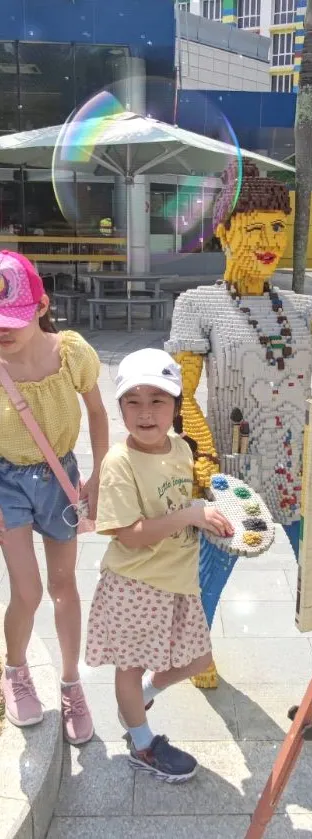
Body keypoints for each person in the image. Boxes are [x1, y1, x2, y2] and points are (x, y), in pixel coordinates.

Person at [166, 159, 312, 783]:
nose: (268, 243)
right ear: (224, 232)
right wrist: (204, 460)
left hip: (307, 479)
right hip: (232, 480)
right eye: (256, 227)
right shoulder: (198, 305)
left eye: (280, 228)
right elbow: (182, 394)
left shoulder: (303, 307)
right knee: (203, 584)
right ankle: (194, 654)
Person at [85, 348, 234, 782]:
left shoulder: (182, 448)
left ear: (175, 405)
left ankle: (142, 697)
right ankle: (143, 744)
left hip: (177, 581)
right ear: (120, 407)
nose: (146, 412)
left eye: (158, 400)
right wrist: (189, 515)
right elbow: (128, 533)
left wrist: (205, 518)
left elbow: (180, 503)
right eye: (134, 400)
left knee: (196, 658)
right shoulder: (119, 464)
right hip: (136, 584)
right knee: (129, 667)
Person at [0, 250, 108, 745]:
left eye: (13, 318)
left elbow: (99, 413)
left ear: (41, 306)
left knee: (65, 586)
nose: (5, 330)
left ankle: (71, 682)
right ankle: (16, 670)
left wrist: (102, 474)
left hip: (61, 478)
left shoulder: (71, 352)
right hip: (6, 484)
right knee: (28, 591)